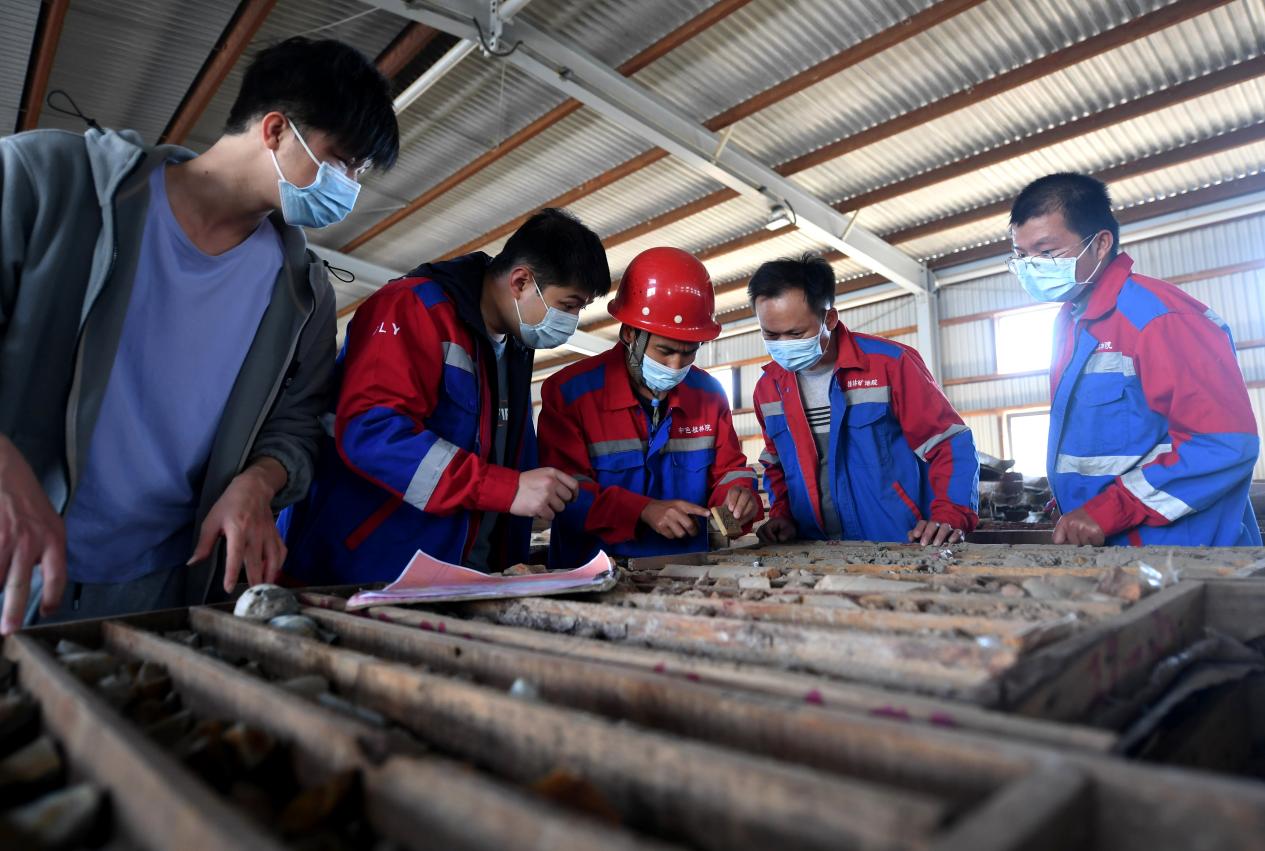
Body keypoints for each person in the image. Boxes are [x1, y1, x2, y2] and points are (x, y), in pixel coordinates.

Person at [0, 37, 399, 633]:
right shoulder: (48, 181)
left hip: (163, 581)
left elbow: (297, 424)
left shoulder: (304, 295)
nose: (348, 188)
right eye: (341, 161)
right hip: (13, 554)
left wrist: (259, 482)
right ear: (275, 130)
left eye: (358, 174)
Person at [280, 208, 610, 581]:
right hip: (372, 568)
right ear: (520, 281)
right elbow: (372, 433)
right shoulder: (413, 308)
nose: (571, 322)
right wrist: (505, 489)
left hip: (460, 574)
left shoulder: (512, 347)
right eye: (568, 305)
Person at [1009, 173, 1260, 546]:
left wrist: (1108, 509)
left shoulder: (1160, 319)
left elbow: (1224, 445)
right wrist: (1072, 498)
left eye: (1046, 253)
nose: (1032, 267)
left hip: (1181, 553)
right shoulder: (1072, 322)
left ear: (1100, 244)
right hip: (1115, 549)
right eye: (1021, 255)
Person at [538, 247, 762, 567]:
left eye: (689, 352)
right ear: (630, 333)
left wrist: (738, 498)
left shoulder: (709, 395)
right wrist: (641, 510)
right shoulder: (571, 395)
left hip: (688, 573)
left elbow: (728, 472)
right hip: (593, 574)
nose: (676, 365)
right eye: (665, 351)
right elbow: (562, 496)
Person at [750, 255, 978, 546]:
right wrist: (782, 515)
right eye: (771, 334)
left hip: (899, 543)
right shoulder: (768, 388)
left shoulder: (890, 364)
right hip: (812, 549)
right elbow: (776, 465)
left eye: (796, 333)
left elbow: (949, 443)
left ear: (829, 319)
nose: (783, 345)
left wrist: (950, 513)